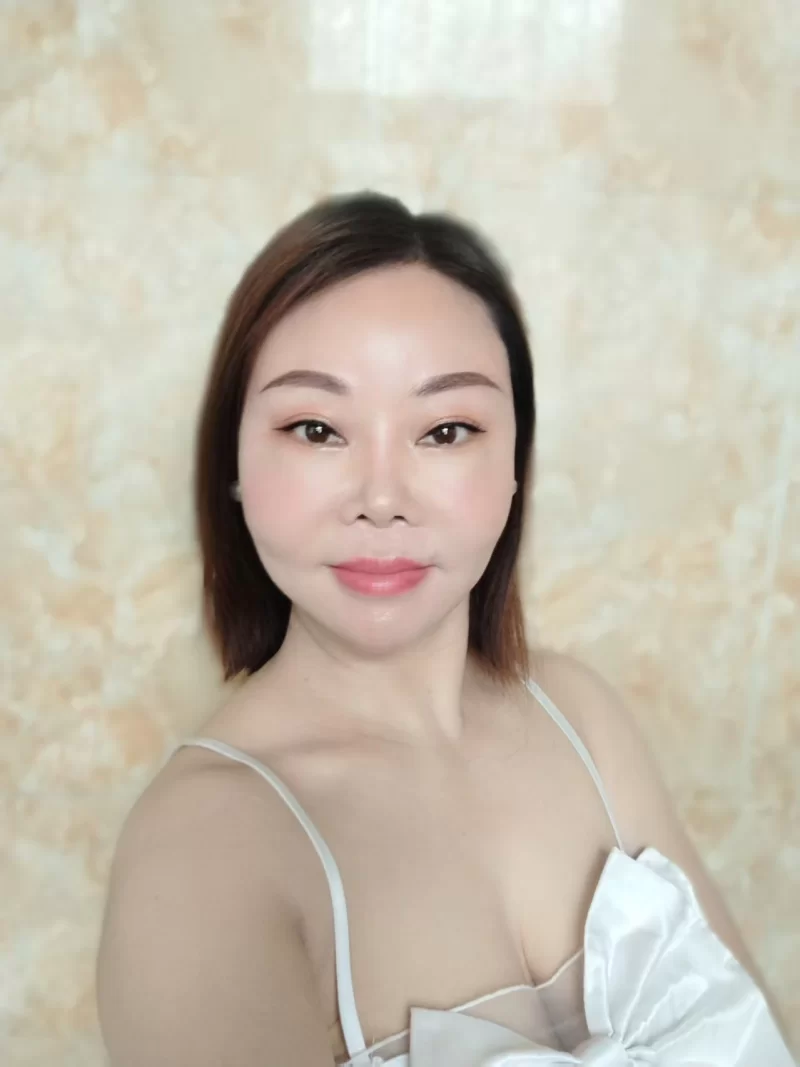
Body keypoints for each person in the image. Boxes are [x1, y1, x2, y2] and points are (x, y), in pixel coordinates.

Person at [96, 192, 794, 1066]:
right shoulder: (203, 857)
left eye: (446, 430)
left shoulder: (580, 714)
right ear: (231, 463)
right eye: (316, 429)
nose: (382, 498)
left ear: (515, 465)